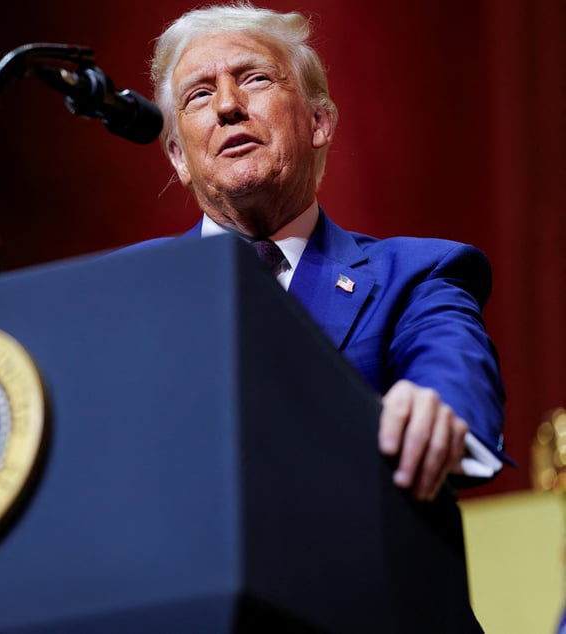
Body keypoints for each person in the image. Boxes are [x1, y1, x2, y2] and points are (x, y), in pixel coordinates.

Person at [136, 2, 509, 501]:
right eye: (199, 95)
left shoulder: (415, 276)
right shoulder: (131, 288)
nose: (227, 105)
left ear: (319, 122)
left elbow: (453, 374)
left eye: (256, 79)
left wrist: (435, 407)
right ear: (179, 157)